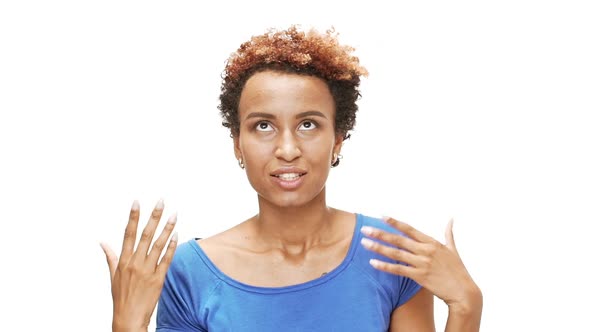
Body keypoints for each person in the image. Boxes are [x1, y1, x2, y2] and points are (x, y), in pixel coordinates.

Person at [100, 25, 483, 332]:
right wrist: (128, 326)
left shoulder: (392, 255)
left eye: (308, 124)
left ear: (337, 139)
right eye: (263, 125)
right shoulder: (191, 272)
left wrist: (466, 306)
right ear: (238, 144)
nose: (287, 148)